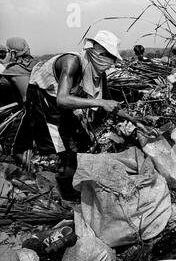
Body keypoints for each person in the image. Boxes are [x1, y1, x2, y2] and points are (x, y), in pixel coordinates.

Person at [22, 30, 124, 199]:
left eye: (112, 58)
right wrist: (99, 103)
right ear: (94, 52)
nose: (110, 62)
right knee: (62, 147)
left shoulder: (97, 73)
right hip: (43, 97)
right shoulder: (72, 62)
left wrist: (135, 120)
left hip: (62, 99)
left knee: (81, 141)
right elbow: (62, 100)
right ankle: (67, 194)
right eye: (107, 56)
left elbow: (110, 102)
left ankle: (76, 179)